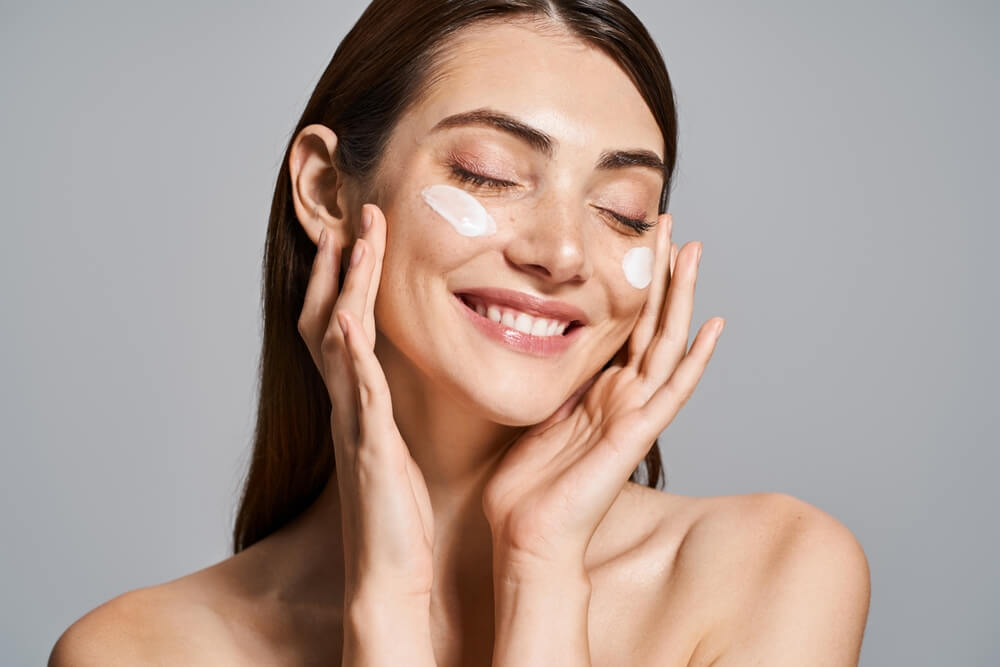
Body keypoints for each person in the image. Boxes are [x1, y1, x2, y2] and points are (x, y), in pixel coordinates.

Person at [49, 1, 871, 665]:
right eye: (490, 173)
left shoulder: (773, 573)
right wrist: (389, 608)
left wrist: (541, 568)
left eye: (623, 210)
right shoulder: (137, 649)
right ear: (329, 190)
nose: (561, 252)